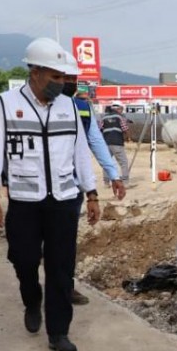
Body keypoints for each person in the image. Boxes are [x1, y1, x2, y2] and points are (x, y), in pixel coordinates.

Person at [0, 38, 101, 351]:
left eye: (64, 78)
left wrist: (91, 193)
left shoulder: (70, 108)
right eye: (55, 77)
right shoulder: (5, 104)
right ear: (34, 72)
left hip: (62, 200)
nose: (61, 84)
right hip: (24, 200)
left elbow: (81, 153)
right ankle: (31, 300)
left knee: (62, 269)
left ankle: (58, 331)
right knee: (24, 260)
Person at [62, 55, 125, 305]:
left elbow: (96, 141)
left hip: (72, 187)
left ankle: (65, 286)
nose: (68, 82)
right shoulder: (38, 108)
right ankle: (34, 285)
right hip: (39, 188)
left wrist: (113, 174)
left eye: (72, 78)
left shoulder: (83, 108)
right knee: (32, 249)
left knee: (66, 241)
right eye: (63, 77)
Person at [100, 102, 130, 186]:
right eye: (121, 109)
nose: (122, 111)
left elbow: (100, 129)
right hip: (117, 143)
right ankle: (125, 182)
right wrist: (128, 138)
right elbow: (125, 128)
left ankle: (106, 182)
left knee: (107, 162)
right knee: (123, 162)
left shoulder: (104, 117)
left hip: (106, 143)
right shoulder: (119, 117)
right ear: (117, 108)